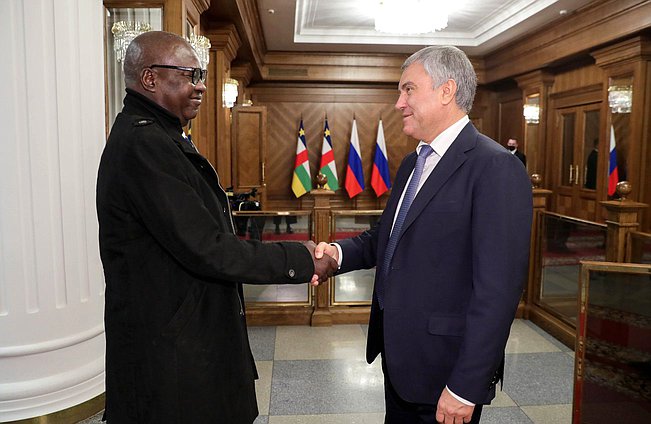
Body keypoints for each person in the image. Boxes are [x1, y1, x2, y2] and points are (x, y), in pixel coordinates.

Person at [96, 31, 337, 424]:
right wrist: (299, 259)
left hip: (184, 339)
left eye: (202, 74)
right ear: (151, 78)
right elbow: (207, 247)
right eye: (190, 74)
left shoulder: (160, 137)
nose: (202, 85)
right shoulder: (145, 145)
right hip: (171, 353)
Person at [315, 46, 533, 423]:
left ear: (447, 91)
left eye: (408, 90)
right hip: (400, 358)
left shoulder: (495, 167)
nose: (399, 103)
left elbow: (498, 291)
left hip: (446, 372)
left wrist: (466, 385)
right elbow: (387, 236)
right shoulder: (415, 161)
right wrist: (337, 253)